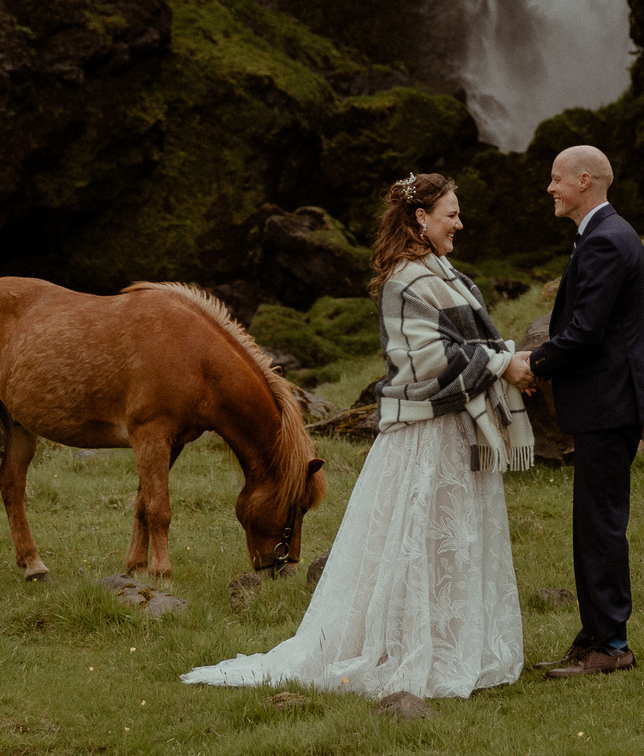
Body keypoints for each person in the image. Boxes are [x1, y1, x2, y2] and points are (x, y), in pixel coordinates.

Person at [182, 172, 535, 700]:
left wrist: (501, 358)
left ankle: (451, 643)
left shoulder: (445, 274)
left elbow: (468, 341)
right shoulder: (404, 282)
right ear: (421, 218)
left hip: (456, 431)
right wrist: (505, 362)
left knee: (449, 542)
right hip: (423, 435)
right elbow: (427, 360)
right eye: (451, 214)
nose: (460, 223)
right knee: (413, 543)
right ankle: (399, 647)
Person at [504, 144, 644, 678]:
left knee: (603, 525)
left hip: (608, 404)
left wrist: (531, 363)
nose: (550, 188)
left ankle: (613, 647)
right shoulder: (603, 235)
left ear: (583, 181)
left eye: (556, 180)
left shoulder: (607, 241)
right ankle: (593, 636)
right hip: (604, 403)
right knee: (591, 523)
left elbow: (586, 333)